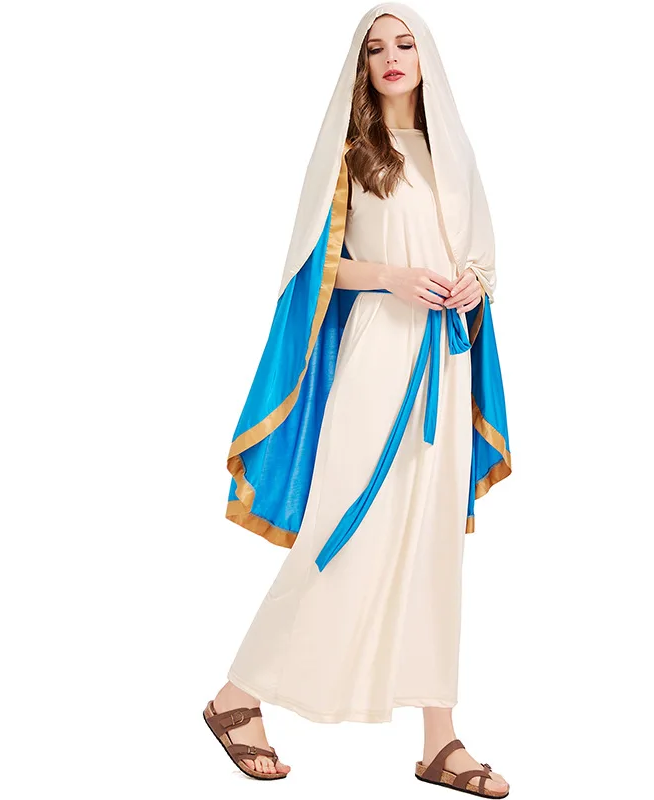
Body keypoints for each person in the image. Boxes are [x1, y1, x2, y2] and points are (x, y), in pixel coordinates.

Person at [202, 4, 511, 796]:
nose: (392, 56)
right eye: (376, 48)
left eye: (405, 43)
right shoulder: (350, 149)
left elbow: (481, 256)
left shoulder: (453, 152)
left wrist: (475, 284)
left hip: (447, 362)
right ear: (363, 66)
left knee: (435, 546)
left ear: (426, 57)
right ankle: (236, 697)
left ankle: (440, 740)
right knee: (343, 531)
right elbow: (313, 266)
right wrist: (392, 278)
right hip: (378, 350)